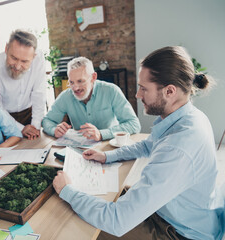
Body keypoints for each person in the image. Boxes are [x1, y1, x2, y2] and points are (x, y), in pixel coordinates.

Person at [53, 46, 224, 239]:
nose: (137, 95)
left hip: (179, 232)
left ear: (169, 91)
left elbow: (117, 221)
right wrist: (107, 156)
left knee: (80, 230)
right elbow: (147, 144)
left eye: (143, 88)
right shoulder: (187, 116)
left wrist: (67, 191)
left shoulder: (178, 147)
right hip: (171, 209)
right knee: (103, 197)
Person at [42, 56, 140, 141]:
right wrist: (54, 130)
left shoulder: (111, 91)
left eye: (80, 81)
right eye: (71, 82)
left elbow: (134, 124)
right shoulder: (66, 96)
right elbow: (47, 121)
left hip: (109, 145)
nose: (75, 88)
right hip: (80, 149)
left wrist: (102, 134)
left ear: (93, 77)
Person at [0, 29, 46, 140]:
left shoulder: (38, 59)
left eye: (24, 61)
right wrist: (20, 128)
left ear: (33, 57)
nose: (18, 66)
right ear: (6, 49)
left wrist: (35, 126)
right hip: (4, 118)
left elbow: (39, 93)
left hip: (29, 112)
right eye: (14, 58)